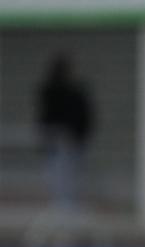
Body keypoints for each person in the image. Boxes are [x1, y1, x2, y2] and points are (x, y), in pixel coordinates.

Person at [36, 54, 94, 212]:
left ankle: (69, 209)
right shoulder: (53, 91)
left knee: (70, 177)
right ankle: (63, 209)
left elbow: (84, 117)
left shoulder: (75, 91)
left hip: (72, 140)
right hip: (58, 140)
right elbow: (47, 116)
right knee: (59, 177)